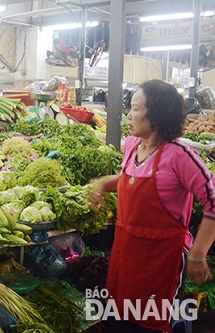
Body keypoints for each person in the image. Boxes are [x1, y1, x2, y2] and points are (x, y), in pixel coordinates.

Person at [89, 79, 215, 333]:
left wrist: (198, 254)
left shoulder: (180, 156)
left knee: (152, 324)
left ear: (156, 115)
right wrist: (102, 184)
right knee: (119, 320)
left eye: (135, 108)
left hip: (161, 260)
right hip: (126, 255)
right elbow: (129, 179)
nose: (129, 114)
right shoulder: (132, 146)